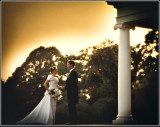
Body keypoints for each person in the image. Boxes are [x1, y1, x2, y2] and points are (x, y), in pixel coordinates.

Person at [62, 60, 79, 125]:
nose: (67, 65)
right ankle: (73, 121)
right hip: (70, 93)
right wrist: (65, 87)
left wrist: (65, 87)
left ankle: (73, 121)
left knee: (72, 107)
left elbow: (72, 83)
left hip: (72, 93)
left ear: (71, 65)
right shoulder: (71, 73)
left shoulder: (73, 73)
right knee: (71, 107)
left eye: (68, 64)